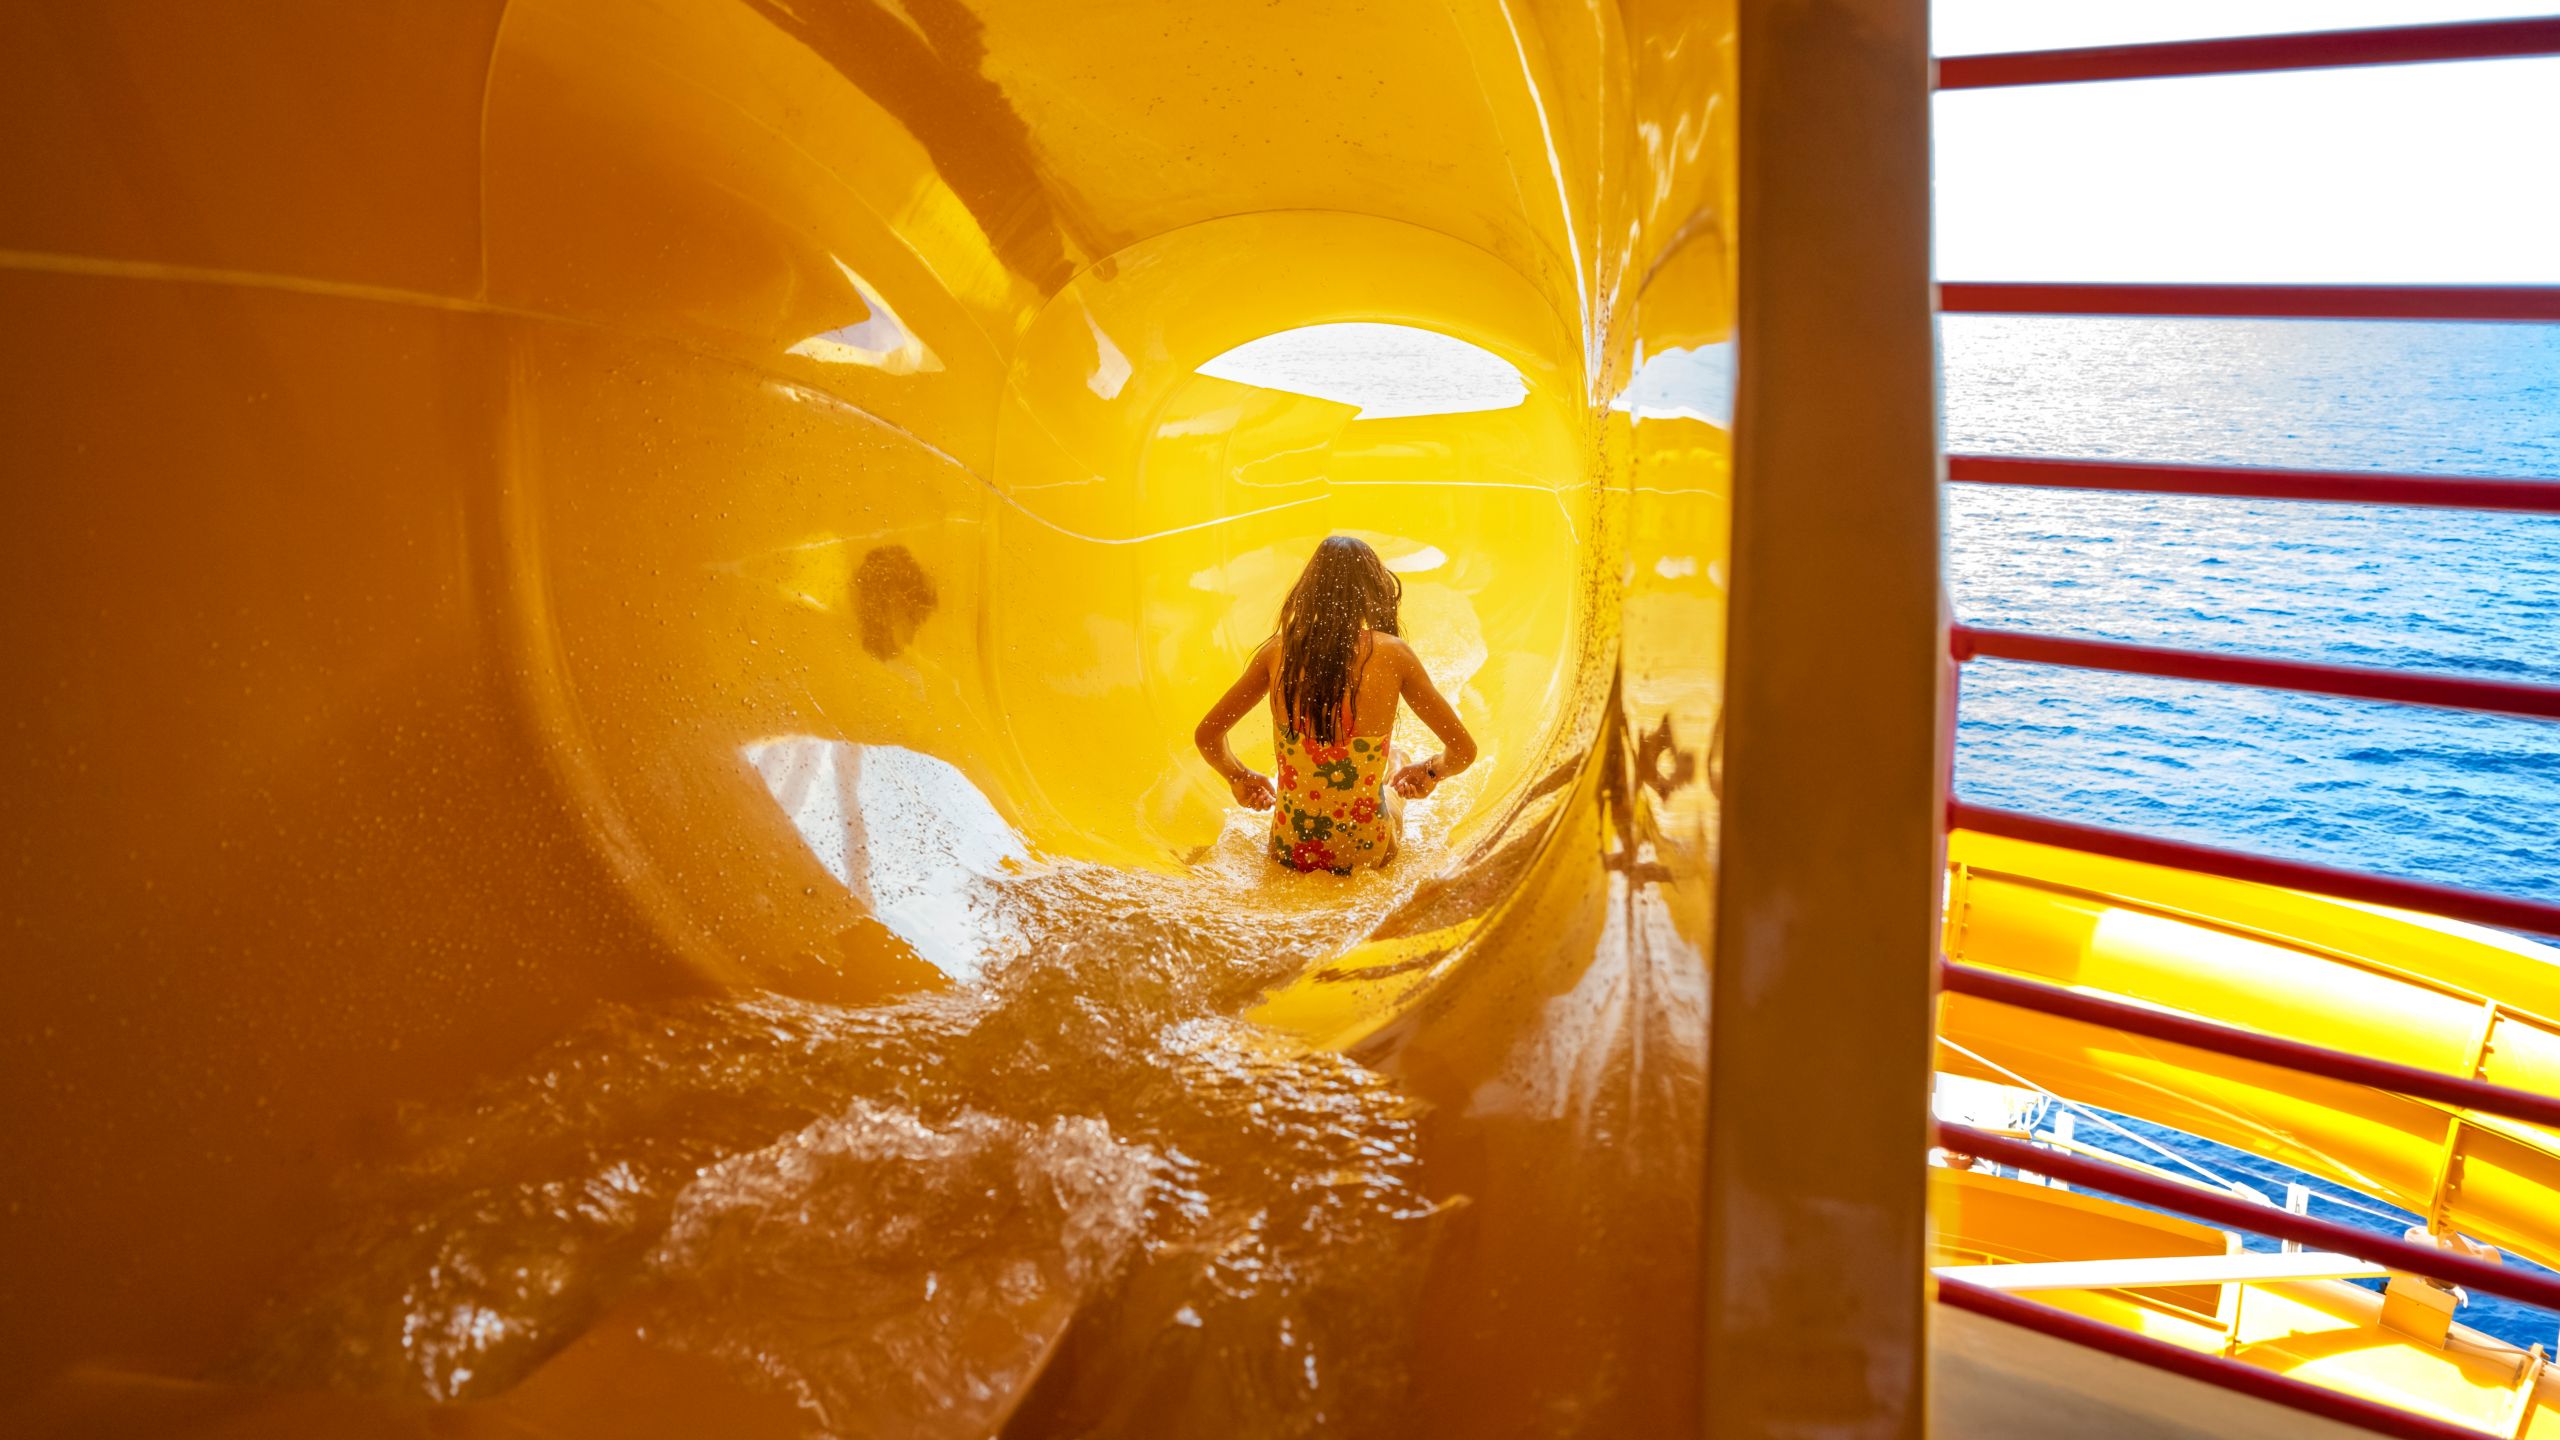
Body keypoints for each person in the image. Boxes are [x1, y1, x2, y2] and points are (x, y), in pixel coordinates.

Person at [1194, 536, 1478, 874]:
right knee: (1391, 789)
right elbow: (1463, 750)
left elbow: (1208, 735)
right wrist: (1430, 770)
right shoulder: (1393, 654)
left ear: (1309, 590)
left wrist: (1238, 776)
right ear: (1374, 593)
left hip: (1289, 848)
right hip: (1367, 849)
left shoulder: (1278, 651)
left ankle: (1390, 763)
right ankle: (1396, 766)